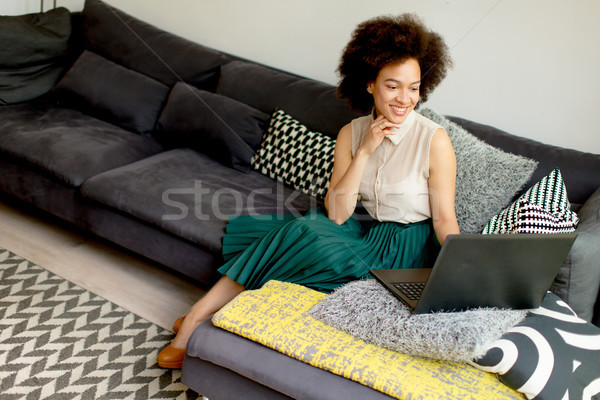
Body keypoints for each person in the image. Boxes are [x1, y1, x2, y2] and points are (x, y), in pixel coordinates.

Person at [157, 13, 459, 369]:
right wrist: (364, 152)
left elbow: (443, 217)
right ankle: (197, 318)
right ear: (370, 85)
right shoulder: (352, 133)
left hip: (405, 245)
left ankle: (203, 319)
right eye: (393, 86)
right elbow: (338, 213)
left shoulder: (433, 140)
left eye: (413, 87)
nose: (405, 99)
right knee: (304, 229)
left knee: (301, 236)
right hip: (362, 227)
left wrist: (458, 268)